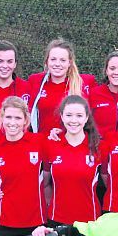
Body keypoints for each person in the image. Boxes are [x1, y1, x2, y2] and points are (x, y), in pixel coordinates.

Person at [0, 96, 47, 236]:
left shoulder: (39, 141)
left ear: (26, 120)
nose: (12, 123)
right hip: (4, 221)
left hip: (35, 223)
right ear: (1, 118)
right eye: (8, 117)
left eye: (18, 118)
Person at [43, 95, 101, 225]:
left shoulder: (98, 146)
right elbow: (45, 183)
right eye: (69, 115)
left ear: (86, 118)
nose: (74, 120)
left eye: (79, 116)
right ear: (62, 116)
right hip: (56, 219)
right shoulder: (50, 144)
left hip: (89, 221)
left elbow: (108, 179)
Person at [28, 38, 96, 134]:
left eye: (63, 60)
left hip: (70, 143)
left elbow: (90, 119)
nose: (57, 64)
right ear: (47, 61)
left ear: (69, 63)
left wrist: (65, 132)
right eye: (53, 59)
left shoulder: (84, 83)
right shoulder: (35, 81)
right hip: (42, 143)